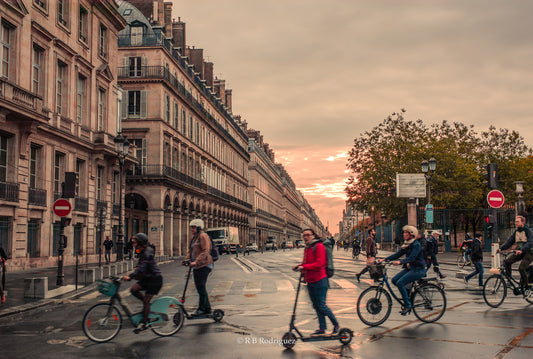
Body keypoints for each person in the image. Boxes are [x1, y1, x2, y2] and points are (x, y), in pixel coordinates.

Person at [293, 228, 339, 335]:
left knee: (321, 305)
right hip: (311, 281)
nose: (305, 237)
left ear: (313, 235)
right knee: (316, 305)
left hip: (320, 280)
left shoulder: (319, 246)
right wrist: (299, 266)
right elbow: (306, 262)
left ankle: (335, 324)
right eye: (304, 235)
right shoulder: (307, 248)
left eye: (308, 235)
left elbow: (319, 264)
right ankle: (322, 328)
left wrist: (303, 267)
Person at [122, 233, 163, 333]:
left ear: (140, 243)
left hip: (154, 279)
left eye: (134, 242)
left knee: (146, 301)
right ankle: (147, 307)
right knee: (133, 290)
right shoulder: (142, 251)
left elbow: (142, 268)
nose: (133, 244)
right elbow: (140, 266)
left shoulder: (147, 253)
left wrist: (130, 276)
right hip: (147, 278)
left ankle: (144, 324)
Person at [383, 225, 427, 315]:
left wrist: (400, 262)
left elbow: (412, 258)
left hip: (418, 269)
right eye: (404, 232)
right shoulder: (407, 244)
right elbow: (398, 254)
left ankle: (407, 305)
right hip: (411, 268)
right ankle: (407, 295)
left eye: (406, 232)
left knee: (400, 283)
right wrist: (385, 259)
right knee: (395, 280)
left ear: (411, 234)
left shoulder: (416, 245)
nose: (404, 234)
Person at [184, 219, 213, 316]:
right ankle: (207, 308)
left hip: (204, 265)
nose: (191, 229)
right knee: (201, 287)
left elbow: (205, 251)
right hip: (197, 266)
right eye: (191, 227)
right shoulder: (194, 238)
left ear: (199, 227)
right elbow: (190, 251)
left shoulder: (203, 236)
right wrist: (187, 259)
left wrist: (196, 261)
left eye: (193, 227)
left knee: (200, 287)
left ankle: (201, 309)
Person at [498, 215, 533, 293]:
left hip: (529, 252)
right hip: (520, 251)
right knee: (506, 262)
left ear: (523, 222)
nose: (515, 223)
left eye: (517, 221)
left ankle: (526, 287)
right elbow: (510, 241)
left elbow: (530, 242)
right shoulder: (516, 232)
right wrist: (501, 248)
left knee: (521, 268)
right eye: (515, 221)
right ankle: (509, 280)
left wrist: (521, 250)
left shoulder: (528, 231)